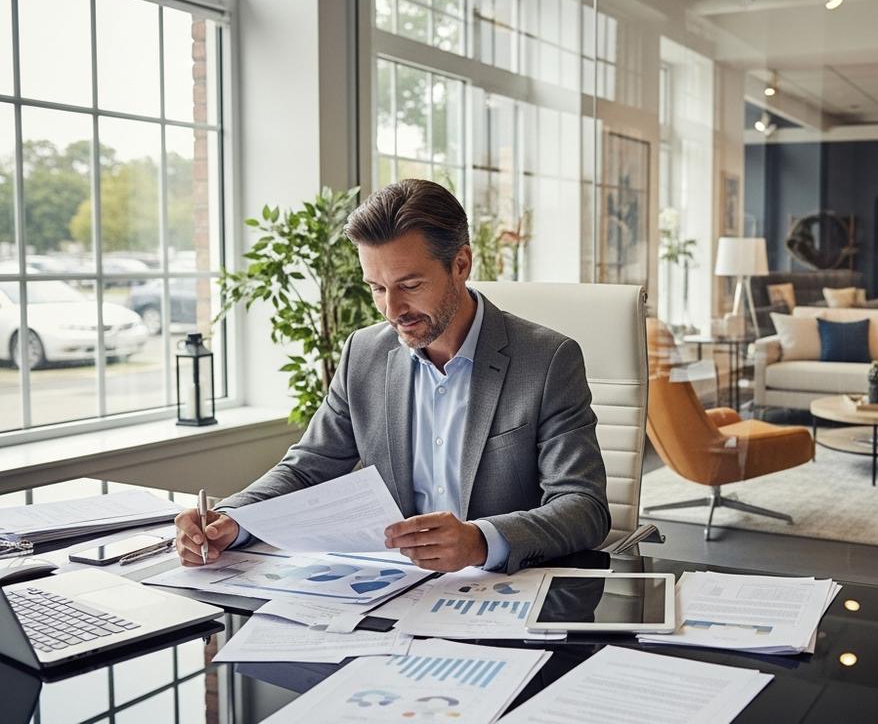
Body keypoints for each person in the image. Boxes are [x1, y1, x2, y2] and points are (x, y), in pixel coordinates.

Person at [173, 179, 609, 573]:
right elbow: (308, 468)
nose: (392, 310)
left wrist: (480, 541)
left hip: (503, 592)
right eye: (377, 288)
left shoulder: (548, 359)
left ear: (460, 264)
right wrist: (233, 518)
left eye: (410, 285)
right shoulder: (364, 353)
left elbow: (582, 507)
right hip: (394, 589)